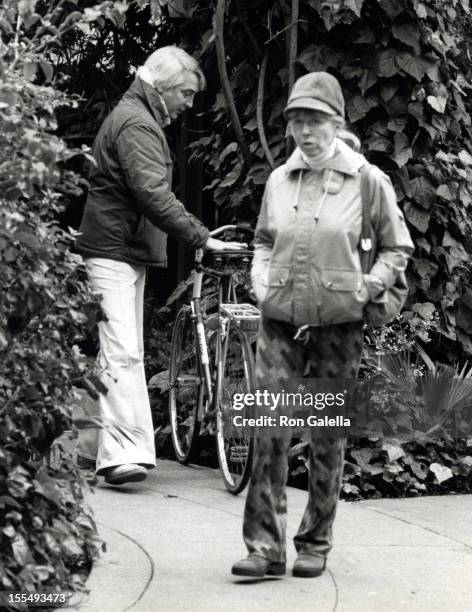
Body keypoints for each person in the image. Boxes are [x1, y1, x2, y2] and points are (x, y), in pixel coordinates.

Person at [232, 72, 414, 578]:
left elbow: (397, 247)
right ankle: (264, 550)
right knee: (267, 427)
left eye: (314, 121)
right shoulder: (278, 179)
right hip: (280, 321)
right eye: (296, 121)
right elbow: (265, 240)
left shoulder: (368, 180)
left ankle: (314, 542)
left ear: (335, 122)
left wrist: (365, 288)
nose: (304, 132)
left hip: (338, 327)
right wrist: (260, 281)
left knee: (326, 436)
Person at [75, 46, 244, 486]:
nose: (188, 104)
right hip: (114, 250)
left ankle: (89, 447)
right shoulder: (136, 123)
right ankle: (120, 456)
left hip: (119, 248)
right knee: (123, 351)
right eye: (186, 93)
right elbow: (152, 194)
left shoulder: (137, 116)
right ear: (163, 86)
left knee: (114, 347)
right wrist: (201, 236)